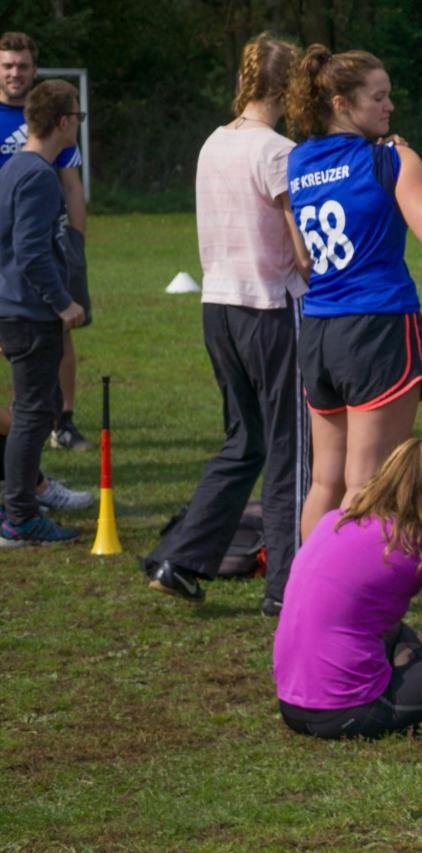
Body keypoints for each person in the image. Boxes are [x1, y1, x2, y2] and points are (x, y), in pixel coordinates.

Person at [144, 35, 310, 612]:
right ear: (289, 87)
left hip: (218, 306)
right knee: (290, 449)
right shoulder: (279, 151)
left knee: (246, 440)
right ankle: (284, 589)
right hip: (269, 308)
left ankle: (180, 558)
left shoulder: (213, 143)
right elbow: (301, 249)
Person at [286, 45, 422, 542]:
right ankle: (345, 603)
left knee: (325, 481)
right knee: (367, 484)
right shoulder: (391, 158)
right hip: (377, 326)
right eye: (378, 97)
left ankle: (303, 596)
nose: (389, 107)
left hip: (319, 329)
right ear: (342, 103)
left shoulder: (298, 159)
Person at [272, 438, 422, 740]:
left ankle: (408, 674)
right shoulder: (419, 543)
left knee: (392, 628)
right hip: (350, 711)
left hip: (292, 705)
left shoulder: (335, 520)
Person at [0, 79, 89, 545]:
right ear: (62, 122)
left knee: (33, 409)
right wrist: (63, 302)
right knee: (35, 413)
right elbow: (30, 251)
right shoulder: (35, 174)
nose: (78, 125)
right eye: (77, 117)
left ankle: (17, 504)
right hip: (30, 314)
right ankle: (19, 517)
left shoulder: (15, 167)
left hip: (15, 309)